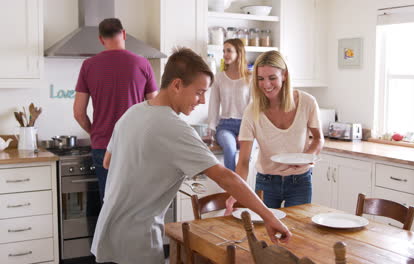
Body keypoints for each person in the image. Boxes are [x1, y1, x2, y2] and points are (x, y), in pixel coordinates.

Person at [90, 48, 291, 264]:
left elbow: (108, 161)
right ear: (177, 85)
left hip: (108, 231)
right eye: (199, 92)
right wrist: (269, 217)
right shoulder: (174, 127)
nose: (202, 101)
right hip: (137, 240)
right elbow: (226, 177)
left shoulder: (133, 112)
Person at [226, 50, 324, 212]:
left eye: (272, 78)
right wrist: (236, 191)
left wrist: (306, 158)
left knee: (298, 230)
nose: (266, 84)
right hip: (266, 182)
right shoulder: (252, 111)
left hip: (300, 180)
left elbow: (318, 139)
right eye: (260, 79)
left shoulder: (307, 102)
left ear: (284, 75)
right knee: (265, 232)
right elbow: (243, 161)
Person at [73, 18, 158, 203]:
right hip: (135, 145)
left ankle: (109, 233)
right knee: (136, 202)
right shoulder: (142, 64)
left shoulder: (88, 65)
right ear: (124, 34)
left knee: (109, 203)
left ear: (101, 40)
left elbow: (79, 113)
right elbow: (156, 108)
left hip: (102, 144)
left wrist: (95, 131)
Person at [207, 38, 251, 171]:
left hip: (246, 125)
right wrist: (211, 130)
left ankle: (241, 188)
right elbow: (213, 105)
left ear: (239, 53)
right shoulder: (219, 78)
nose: (225, 54)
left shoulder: (250, 78)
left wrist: (245, 131)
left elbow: (253, 106)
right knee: (230, 148)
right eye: (224, 51)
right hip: (225, 126)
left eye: (229, 51)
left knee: (246, 157)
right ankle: (233, 187)